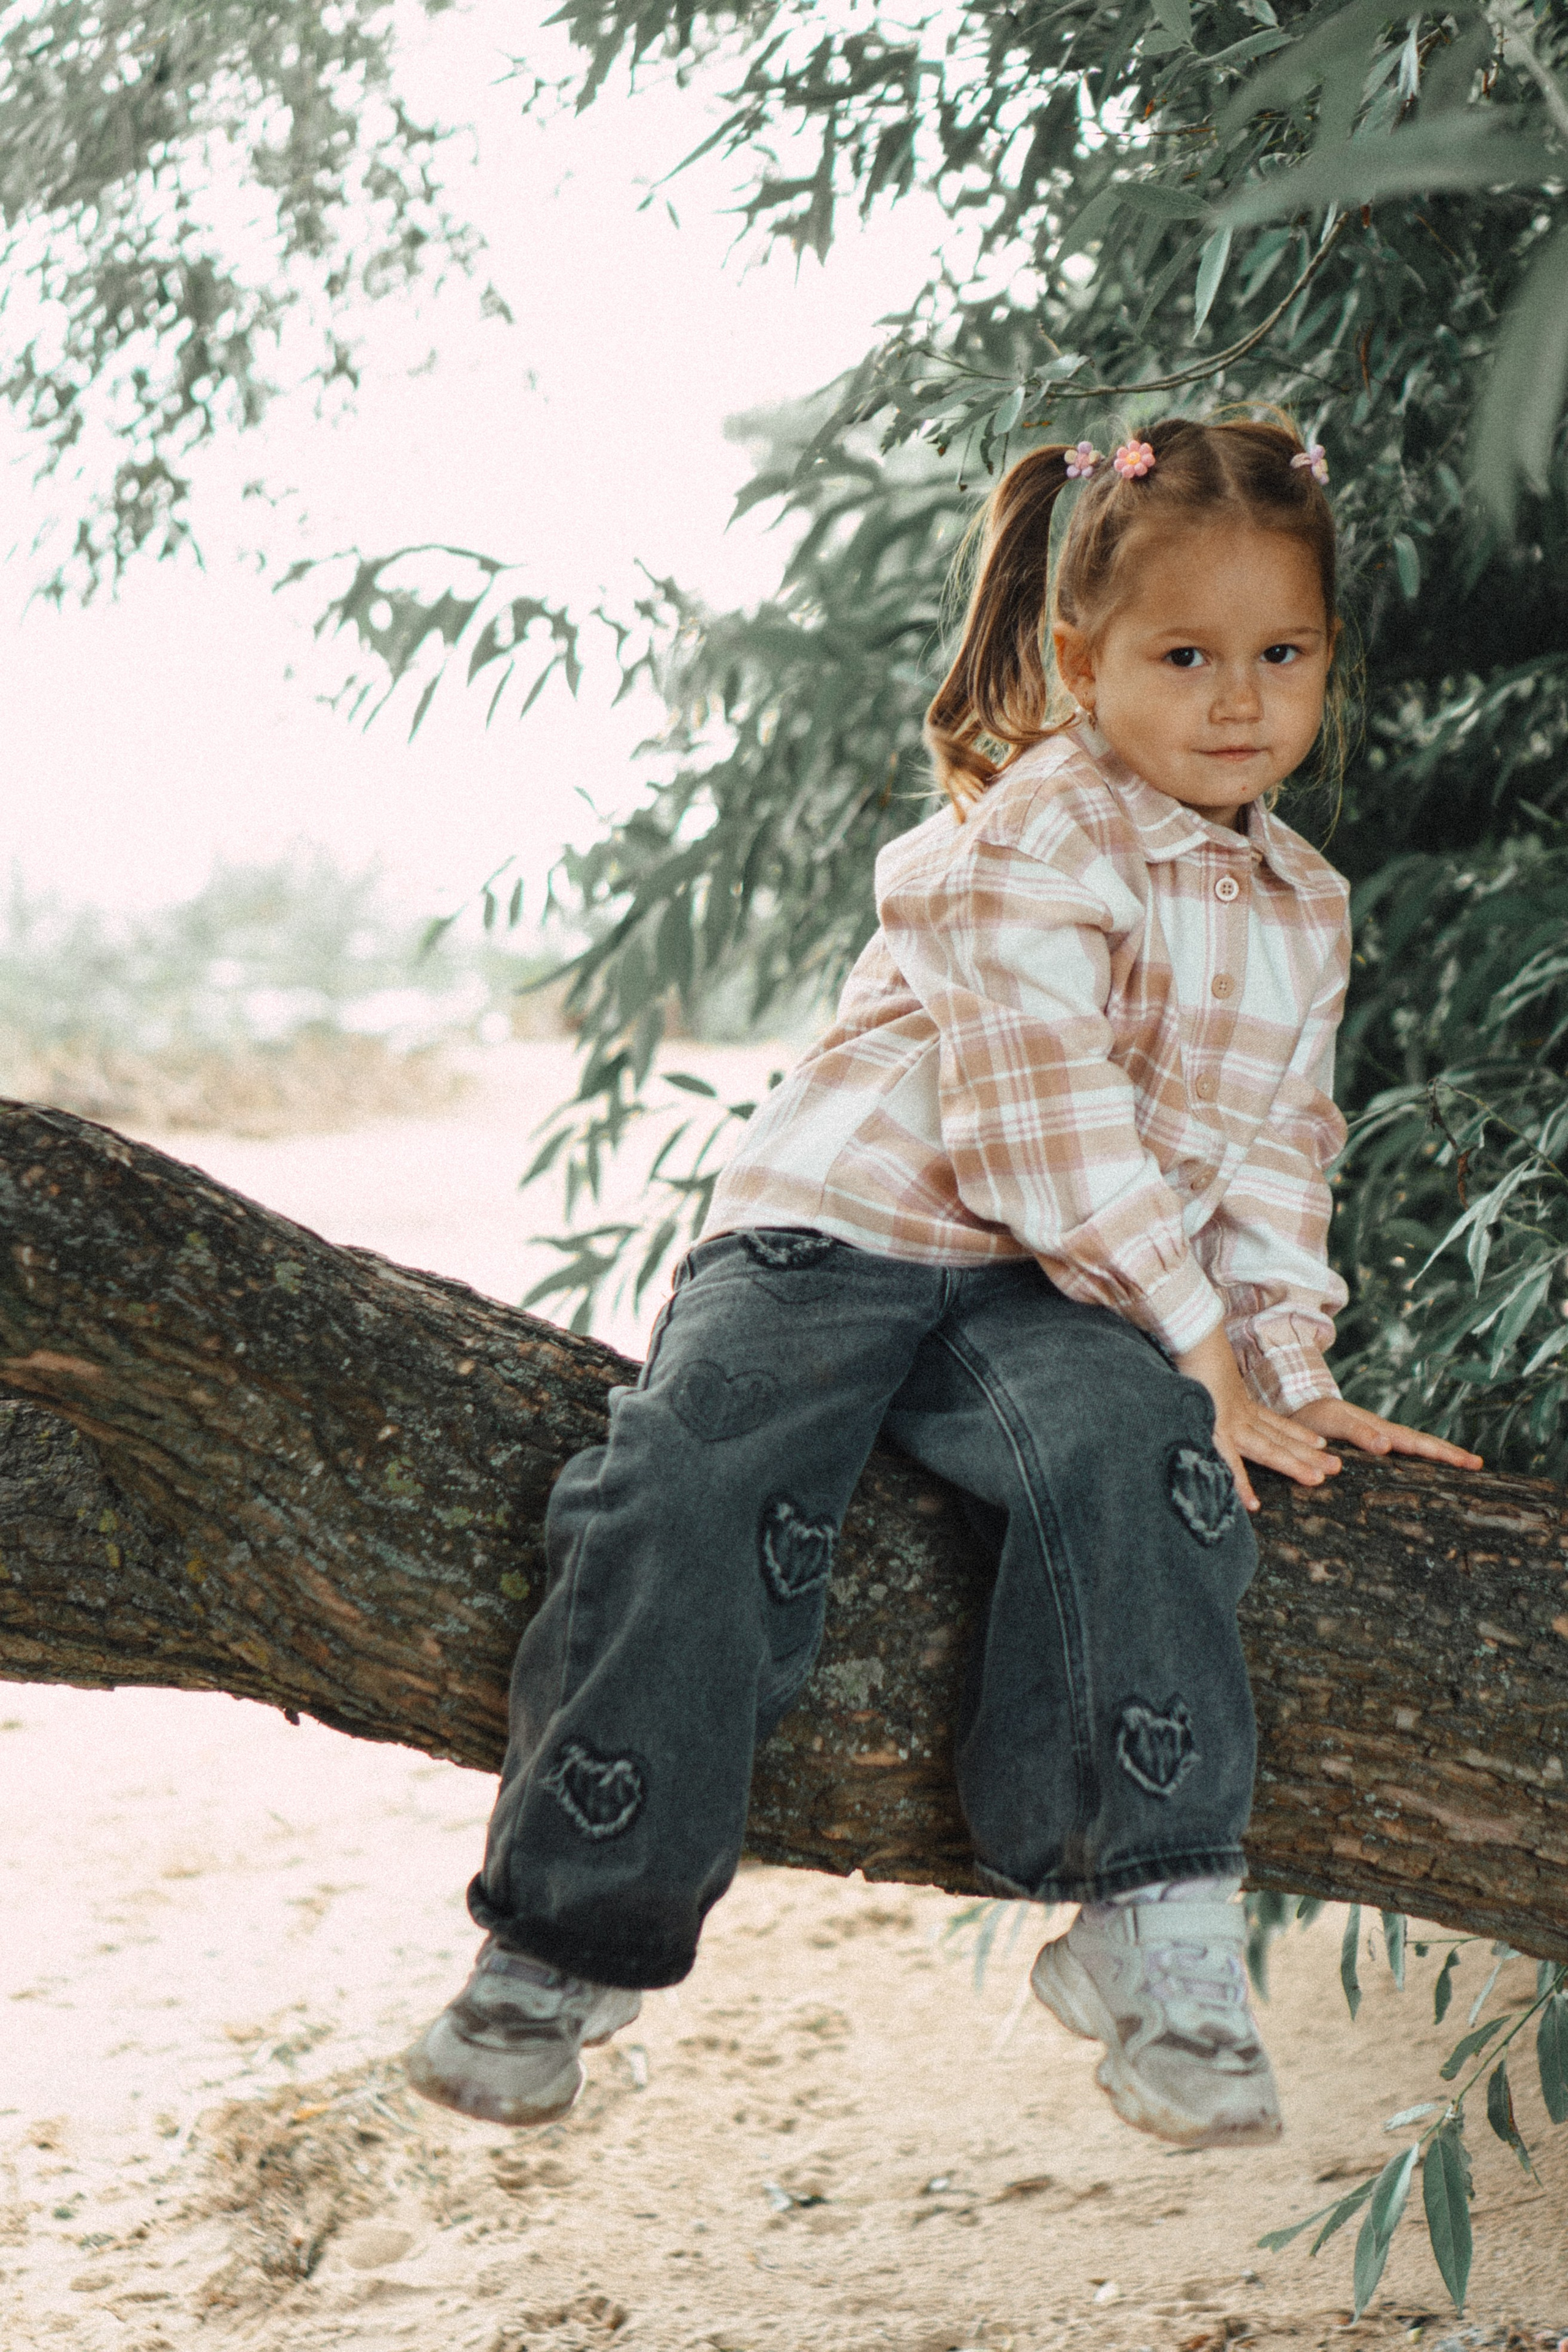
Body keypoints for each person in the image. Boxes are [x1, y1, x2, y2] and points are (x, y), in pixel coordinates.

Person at [404, 415, 1481, 2149]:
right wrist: (1198, 1338)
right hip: (839, 1235)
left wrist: (1280, 1369)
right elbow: (1043, 1127)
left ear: (1328, 658)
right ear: (1080, 657)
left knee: (1147, 1459)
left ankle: (1154, 1917)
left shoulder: (1304, 907)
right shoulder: (1040, 831)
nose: (1238, 700)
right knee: (693, 1478)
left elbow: (1281, 1152)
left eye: (1282, 656)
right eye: (1186, 657)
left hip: (1051, 1290)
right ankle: (562, 1942)